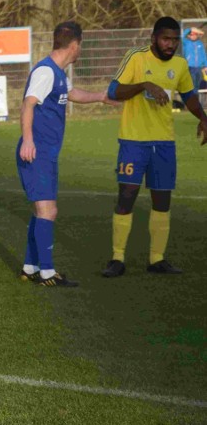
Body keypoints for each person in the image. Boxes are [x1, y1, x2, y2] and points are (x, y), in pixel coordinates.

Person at [102, 17, 207, 278]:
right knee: (126, 196)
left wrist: (204, 118)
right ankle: (117, 258)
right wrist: (143, 85)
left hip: (164, 143)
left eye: (173, 40)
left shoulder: (180, 65)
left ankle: (157, 259)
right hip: (133, 140)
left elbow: (190, 96)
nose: (170, 44)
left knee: (162, 200)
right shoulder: (136, 57)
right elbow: (113, 91)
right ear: (153, 38)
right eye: (165, 39)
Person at [17, 21, 116, 287]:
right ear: (74, 45)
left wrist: (100, 97)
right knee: (48, 210)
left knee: (42, 211)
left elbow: (71, 93)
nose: (80, 50)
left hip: (46, 153)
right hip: (36, 152)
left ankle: (30, 267)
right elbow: (28, 103)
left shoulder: (59, 73)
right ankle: (48, 273)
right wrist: (28, 140)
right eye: (80, 45)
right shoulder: (46, 72)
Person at [182, 27, 206, 92]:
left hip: (199, 67)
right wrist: (190, 29)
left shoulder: (199, 43)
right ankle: (192, 97)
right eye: (192, 34)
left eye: (195, 34)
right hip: (190, 67)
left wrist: (205, 65)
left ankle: (195, 97)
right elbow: (182, 36)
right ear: (189, 36)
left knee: (198, 83)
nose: (193, 36)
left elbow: (203, 55)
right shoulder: (186, 42)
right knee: (192, 83)